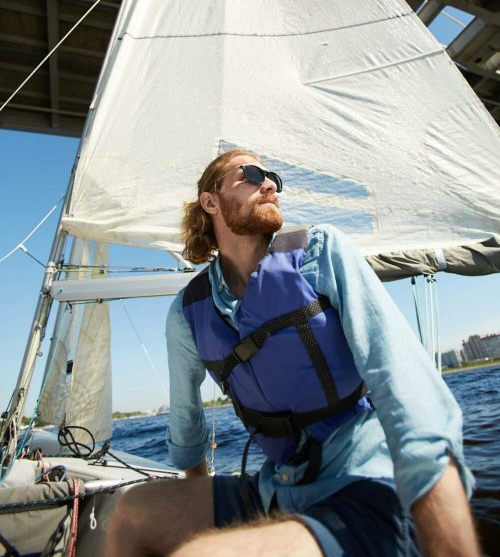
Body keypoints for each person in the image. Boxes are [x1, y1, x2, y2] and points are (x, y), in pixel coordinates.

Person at [106, 148, 480, 557]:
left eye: (273, 179)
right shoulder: (187, 314)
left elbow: (406, 390)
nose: (269, 184)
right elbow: (186, 428)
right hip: (279, 486)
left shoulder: (321, 252)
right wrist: (198, 511)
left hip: (363, 481)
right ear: (210, 201)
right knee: (131, 514)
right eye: (250, 174)